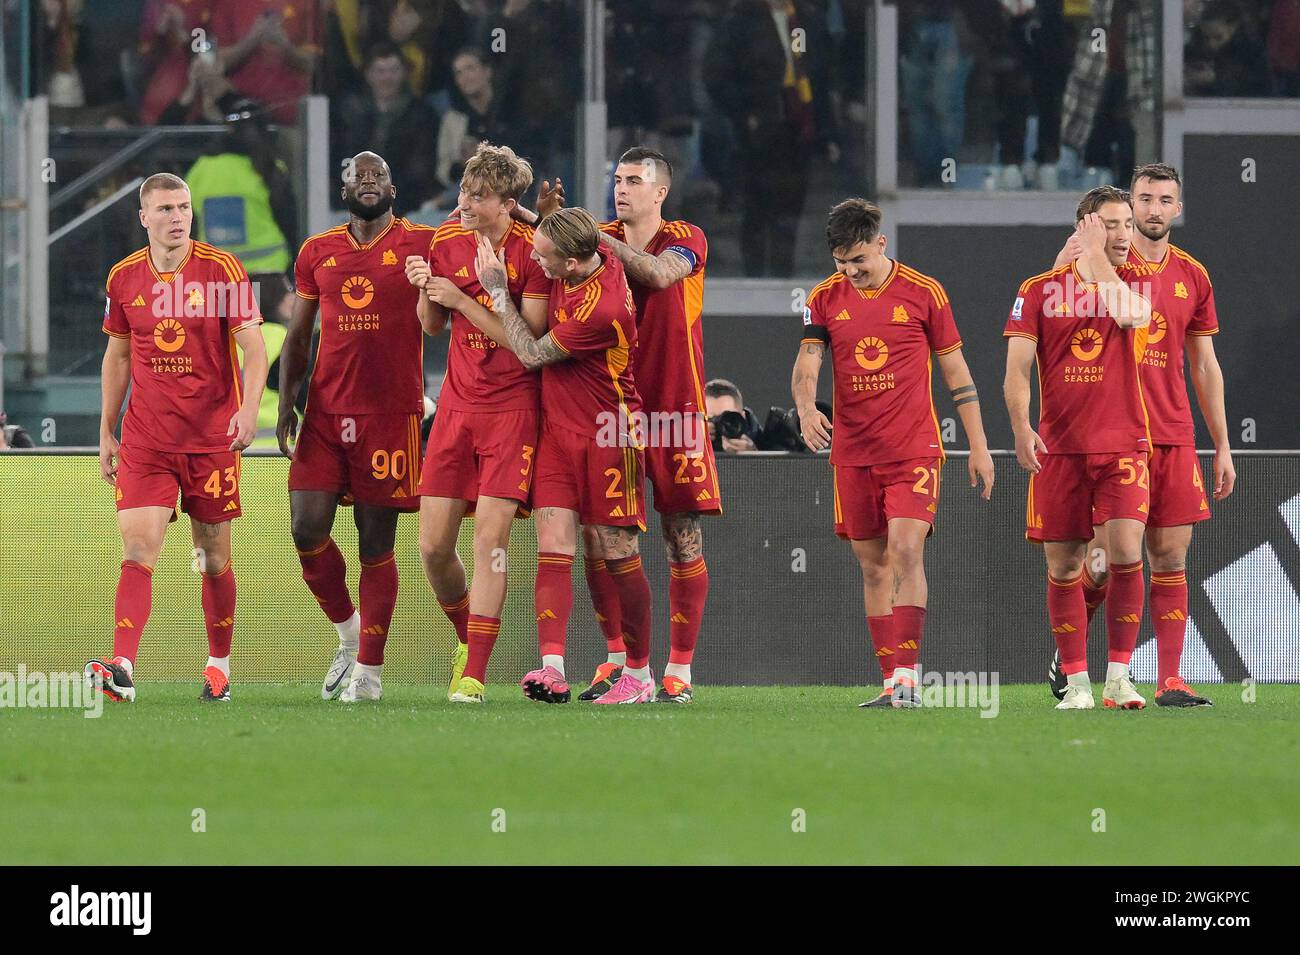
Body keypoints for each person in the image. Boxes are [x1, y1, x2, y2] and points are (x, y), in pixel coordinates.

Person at [425, 207, 657, 705]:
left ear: (572, 264)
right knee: (554, 547)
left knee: (616, 552)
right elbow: (568, 231)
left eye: (544, 256)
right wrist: (528, 212)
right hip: (555, 430)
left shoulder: (602, 308)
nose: (534, 260)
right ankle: (552, 668)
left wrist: (494, 291)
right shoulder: (592, 253)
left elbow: (529, 353)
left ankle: (639, 672)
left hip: (609, 432)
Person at [791, 199, 994, 708]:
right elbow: (808, 361)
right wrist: (804, 407)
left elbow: (957, 375)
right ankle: (889, 684)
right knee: (873, 565)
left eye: (858, 260)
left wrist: (979, 446)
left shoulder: (925, 293)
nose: (850, 272)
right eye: (841, 263)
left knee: (905, 550)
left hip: (914, 449)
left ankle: (907, 677)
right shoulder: (823, 297)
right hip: (854, 453)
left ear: (881, 244)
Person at [1044, 163, 1234, 706]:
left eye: (1163, 200)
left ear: (1177, 208)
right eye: (1143, 199)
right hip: (1108, 434)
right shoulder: (1100, 262)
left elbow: (1203, 365)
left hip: (1170, 433)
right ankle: (1074, 653)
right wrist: (1077, 254)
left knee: (1170, 555)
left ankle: (1170, 679)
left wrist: (1221, 445)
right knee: (1104, 563)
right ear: (1127, 208)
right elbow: (1053, 312)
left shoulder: (1193, 276)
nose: (1152, 210)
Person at [86, 172, 268, 704]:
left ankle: (218, 665)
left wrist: (249, 409)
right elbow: (118, 355)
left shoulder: (221, 270)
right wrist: (106, 430)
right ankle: (122, 664)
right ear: (143, 217)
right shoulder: (123, 279)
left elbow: (253, 348)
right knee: (140, 547)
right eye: (164, 209)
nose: (177, 218)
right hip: (147, 440)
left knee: (210, 557)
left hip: (212, 438)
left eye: (184, 207)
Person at [277, 152, 434, 703]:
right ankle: (347, 635)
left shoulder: (425, 244)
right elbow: (299, 335)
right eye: (357, 177)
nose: (368, 182)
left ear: (394, 187)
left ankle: (368, 672)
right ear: (343, 190)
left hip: (391, 416)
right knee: (305, 530)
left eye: (377, 176)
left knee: (376, 543)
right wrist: (286, 402)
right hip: (324, 412)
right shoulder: (317, 251)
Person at [401, 143, 551, 705]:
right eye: (464, 191)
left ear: (508, 204)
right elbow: (432, 326)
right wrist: (425, 289)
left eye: (479, 196)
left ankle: (475, 674)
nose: (465, 203)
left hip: (513, 410)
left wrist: (470, 299)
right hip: (456, 407)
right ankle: (469, 637)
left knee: (491, 541)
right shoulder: (446, 239)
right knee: (433, 547)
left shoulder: (534, 252)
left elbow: (528, 344)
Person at [569, 147, 720, 703]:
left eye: (635, 180)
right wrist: (539, 219)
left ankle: (678, 670)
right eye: (617, 179)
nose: (622, 188)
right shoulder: (598, 238)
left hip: (675, 410)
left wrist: (590, 238)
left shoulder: (687, 237)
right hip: (611, 409)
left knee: (681, 537)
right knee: (601, 537)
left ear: (661, 192)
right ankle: (616, 659)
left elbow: (658, 276)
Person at [1004, 185, 1154, 711]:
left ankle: (1118, 677)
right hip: (1061, 449)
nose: (1123, 234)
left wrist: (1095, 258)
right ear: (1085, 225)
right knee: (1065, 566)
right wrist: (1022, 427)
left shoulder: (1136, 278)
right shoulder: (1039, 290)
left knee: (1126, 554)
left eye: (1128, 225)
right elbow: (1017, 371)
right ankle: (1077, 682)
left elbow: (1133, 315)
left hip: (1124, 445)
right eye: (1110, 225)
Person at [333, 43, 441, 209]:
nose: (387, 78)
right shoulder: (350, 110)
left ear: (404, 73)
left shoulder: (421, 114)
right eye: (380, 71)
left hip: (403, 203)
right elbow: (342, 158)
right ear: (368, 75)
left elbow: (420, 169)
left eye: (393, 71)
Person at [705, 379, 759, 454]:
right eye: (709, 419)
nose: (719, 424)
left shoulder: (764, 441)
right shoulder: (689, 438)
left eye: (727, 417)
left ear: (743, 417)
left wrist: (752, 456)